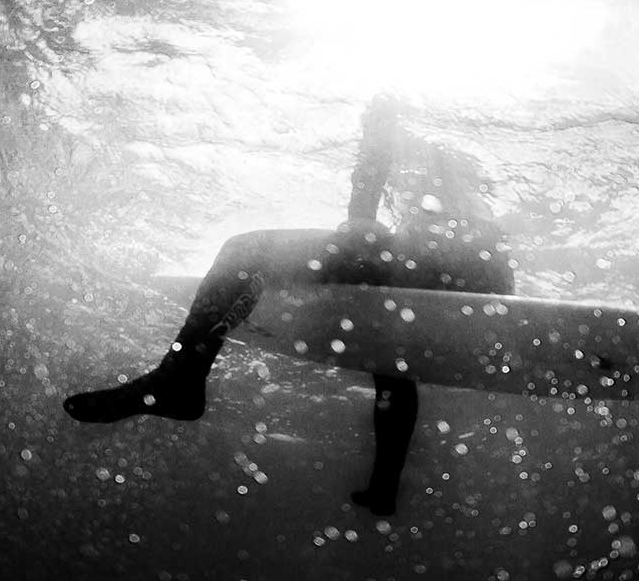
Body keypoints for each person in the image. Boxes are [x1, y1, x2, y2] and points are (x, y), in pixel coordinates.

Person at [64, 97, 514, 515]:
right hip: (458, 276)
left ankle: (179, 379)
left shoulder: (437, 159)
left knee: (246, 251)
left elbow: (388, 197)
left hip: (458, 269)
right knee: (388, 346)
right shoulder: (450, 176)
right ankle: (385, 485)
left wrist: (376, 141)